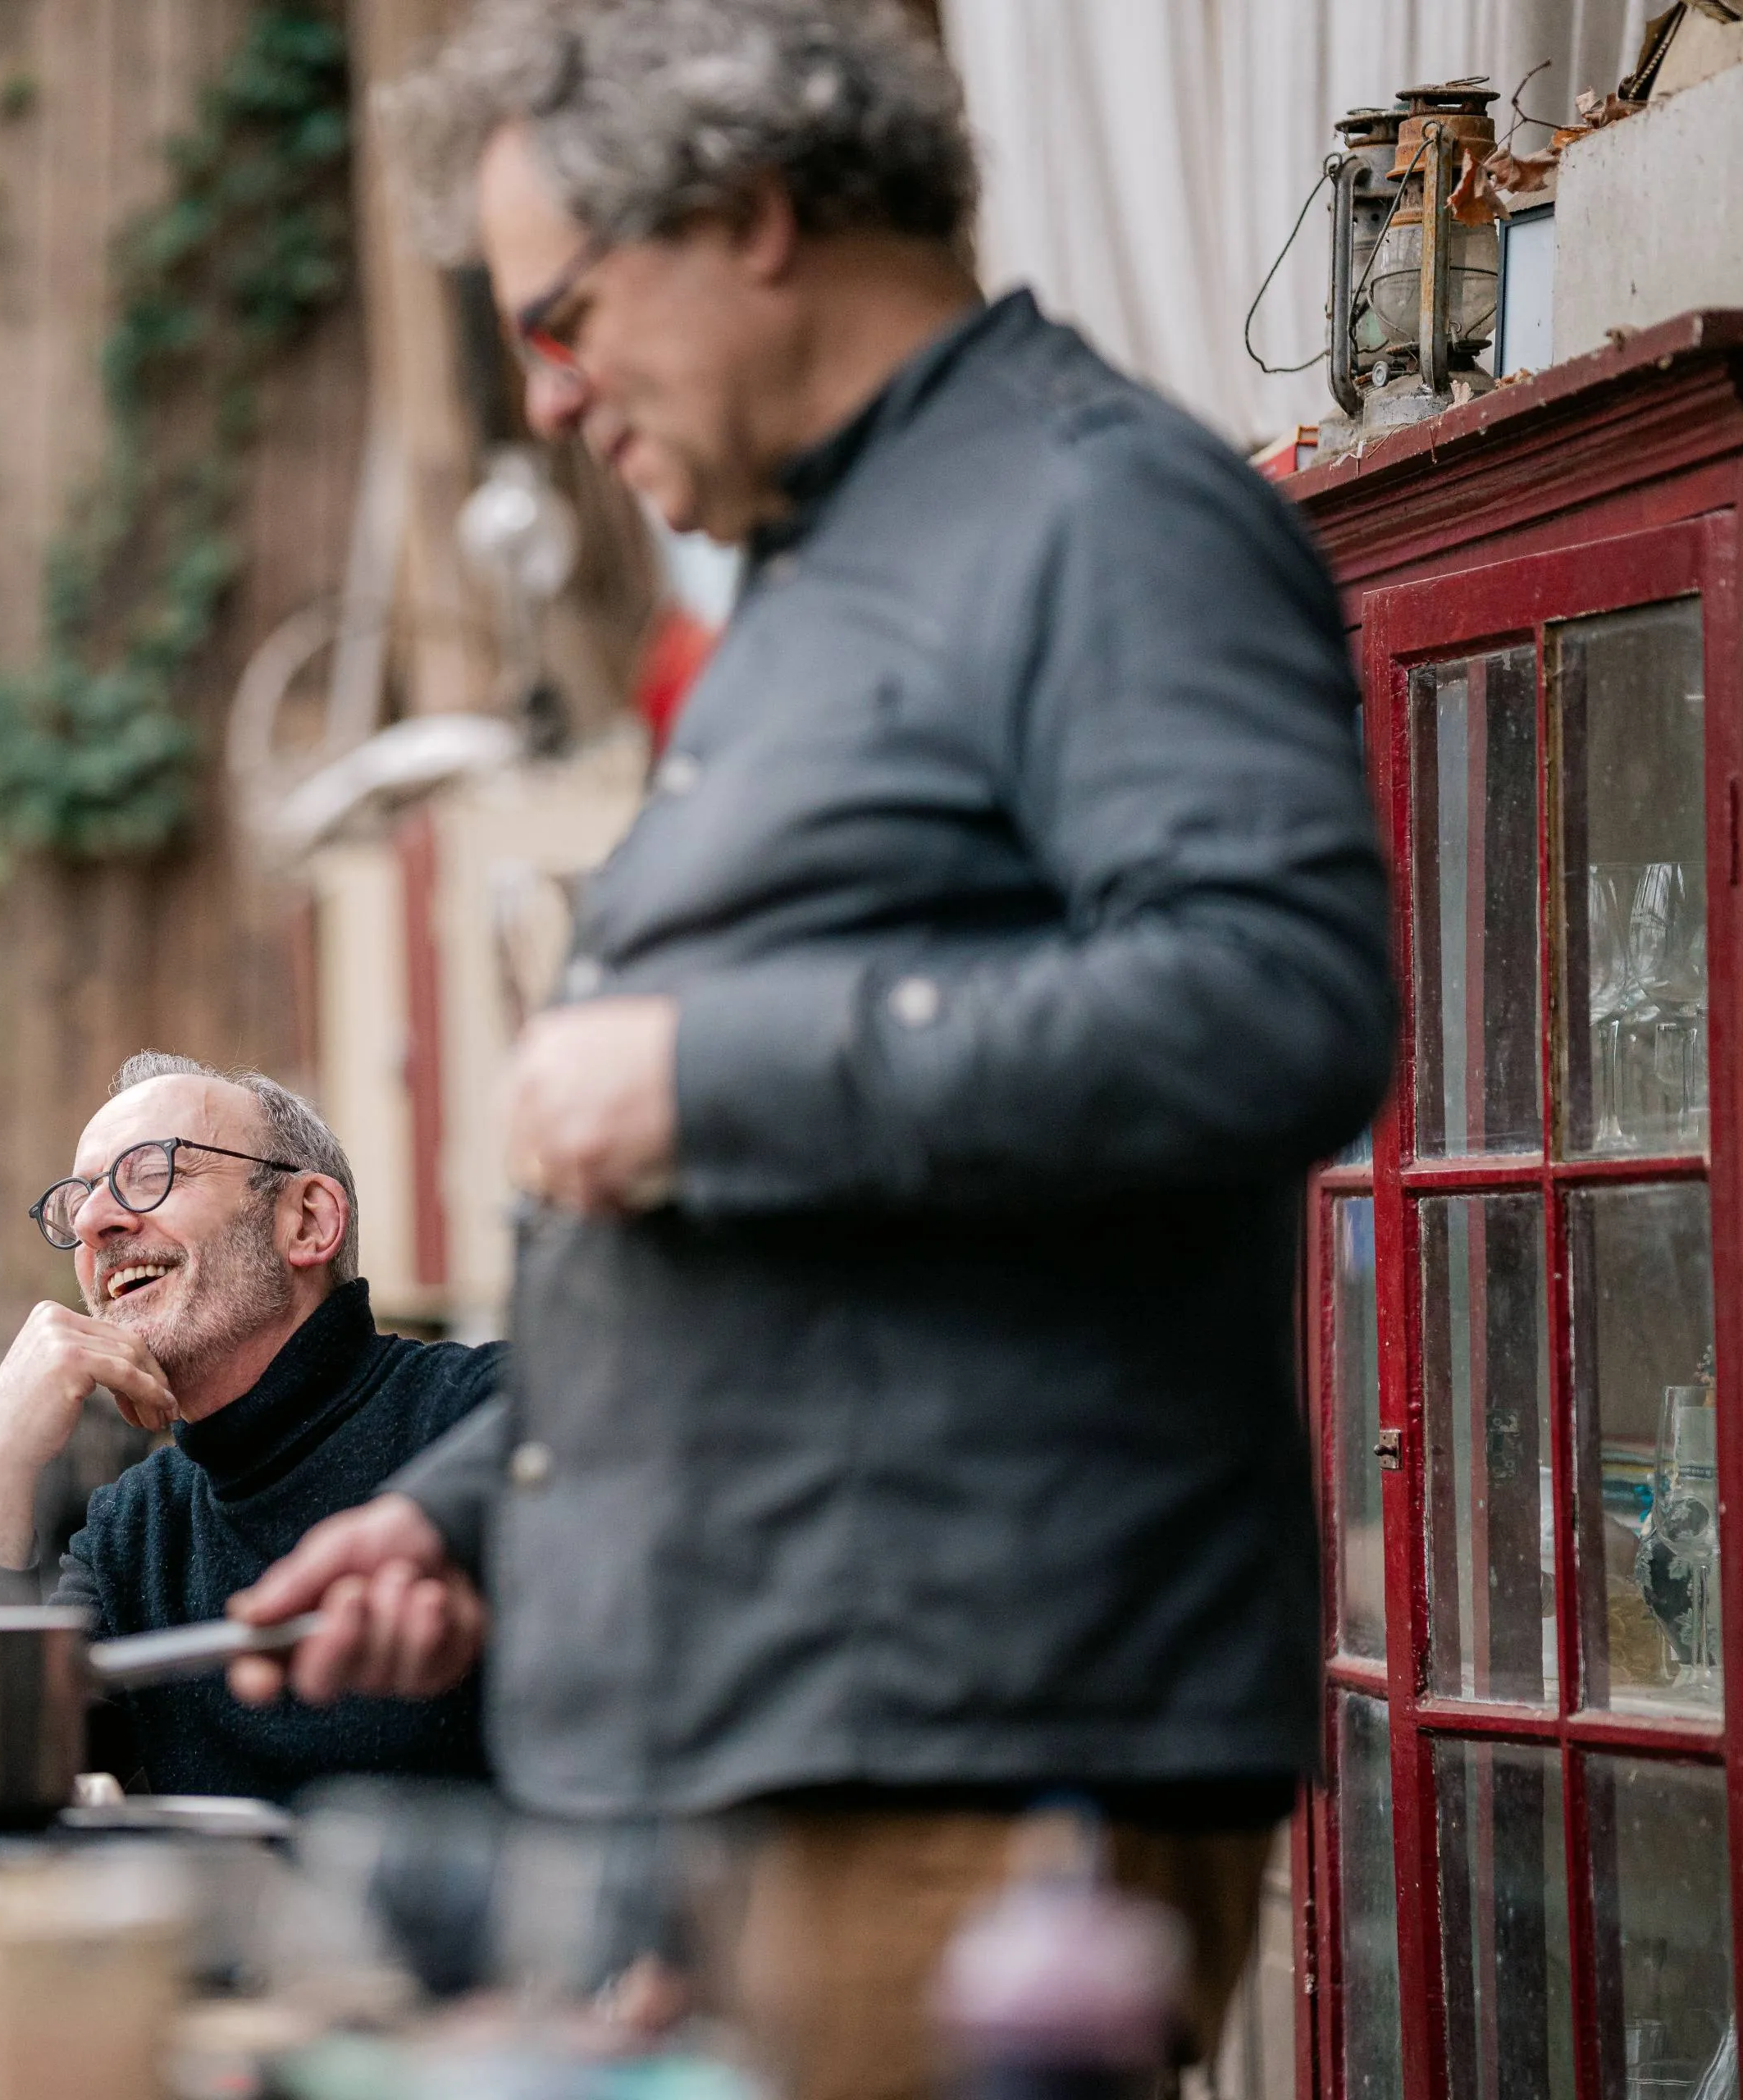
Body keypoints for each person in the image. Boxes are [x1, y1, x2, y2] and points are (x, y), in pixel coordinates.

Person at [226, 3, 1396, 2092]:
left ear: (753, 215)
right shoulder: (823, 570)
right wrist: (473, 1509)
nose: (546, 395)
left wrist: (710, 1074)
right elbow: (798, 1269)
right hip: (783, 1747)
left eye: (564, 316)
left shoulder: (1102, 511)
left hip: (968, 1757)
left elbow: (1273, 993)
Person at [0, 1052, 504, 1802]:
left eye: (150, 1172)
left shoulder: (492, 1412)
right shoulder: (135, 1530)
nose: (94, 1222)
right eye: (78, 1203)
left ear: (308, 1220)